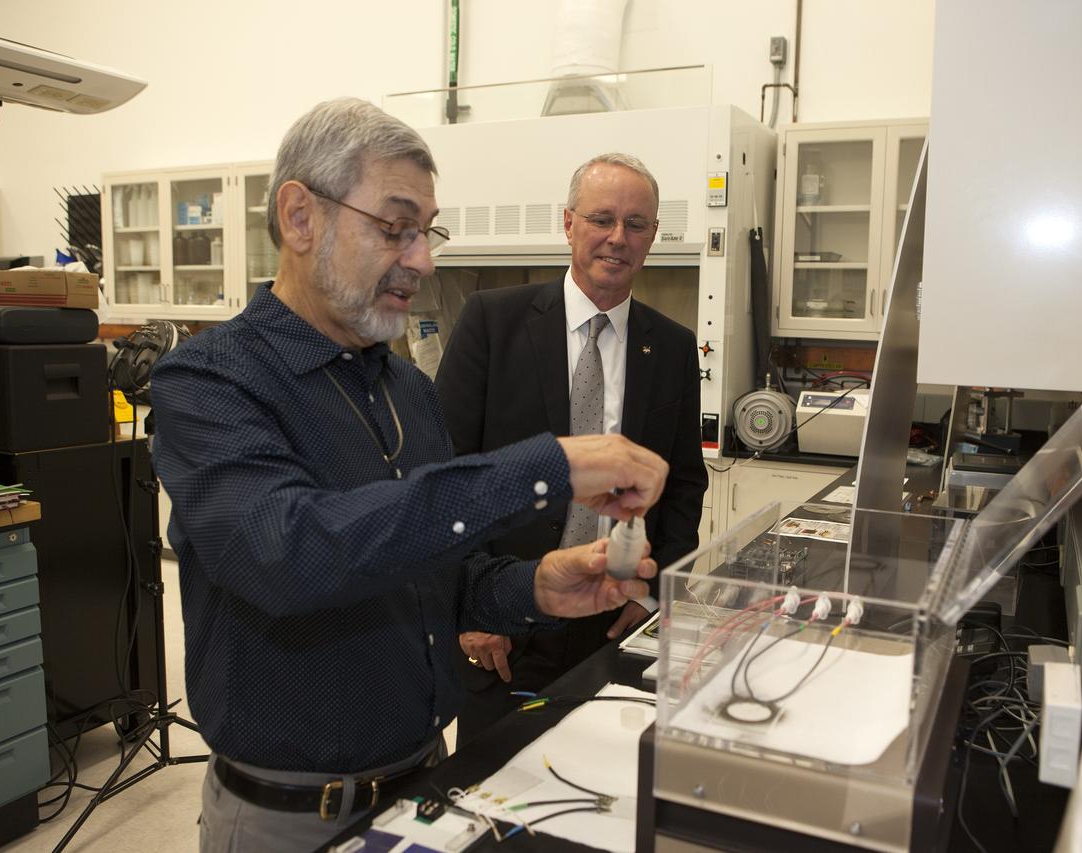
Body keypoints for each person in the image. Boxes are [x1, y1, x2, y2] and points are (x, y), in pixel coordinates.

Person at [148, 99, 669, 853]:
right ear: (301, 217)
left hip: (428, 789)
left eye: (428, 231)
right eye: (395, 228)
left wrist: (532, 585)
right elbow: (291, 554)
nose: (422, 259)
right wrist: (549, 463)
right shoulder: (210, 383)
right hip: (292, 818)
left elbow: (436, 575)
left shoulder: (406, 391)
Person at [435, 153, 707, 745]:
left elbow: (685, 484)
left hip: (611, 623)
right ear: (568, 223)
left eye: (637, 224)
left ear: (653, 236)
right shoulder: (492, 322)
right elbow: (446, 472)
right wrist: (471, 608)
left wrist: (658, 591)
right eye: (602, 218)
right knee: (492, 801)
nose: (618, 238)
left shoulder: (674, 347)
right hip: (504, 625)